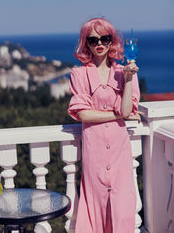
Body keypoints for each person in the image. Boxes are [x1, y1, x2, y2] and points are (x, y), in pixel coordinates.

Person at [68, 18, 140, 233]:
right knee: (96, 202)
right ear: (86, 43)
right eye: (93, 39)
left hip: (119, 149)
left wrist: (128, 79)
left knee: (121, 205)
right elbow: (83, 114)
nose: (99, 43)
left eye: (105, 38)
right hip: (94, 149)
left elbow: (128, 110)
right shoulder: (79, 74)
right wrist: (116, 114)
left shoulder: (124, 72)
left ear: (112, 41)